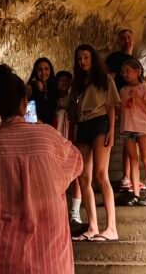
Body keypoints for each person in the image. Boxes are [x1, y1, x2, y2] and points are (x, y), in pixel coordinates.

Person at [0, 64, 83, 273]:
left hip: (4, 261)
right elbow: (76, 162)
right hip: (51, 259)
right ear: (24, 102)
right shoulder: (47, 136)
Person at [71, 45, 120, 242]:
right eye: (79, 58)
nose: (82, 61)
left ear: (93, 58)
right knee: (83, 177)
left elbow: (111, 106)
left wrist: (112, 130)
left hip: (100, 122)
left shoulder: (104, 79)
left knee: (101, 174)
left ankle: (111, 228)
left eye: (86, 57)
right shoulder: (78, 84)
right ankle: (92, 226)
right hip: (83, 126)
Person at [105, 29, 145, 194]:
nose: (127, 40)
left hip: (135, 105)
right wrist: (114, 102)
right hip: (122, 102)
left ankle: (128, 177)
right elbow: (110, 79)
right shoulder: (114, 58)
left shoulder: (136, 61)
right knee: (128, 139)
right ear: (119, 42)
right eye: (123, 38)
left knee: (132, 139)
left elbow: (140, 84)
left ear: (133, 39)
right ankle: (126, 177)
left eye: (129, 37)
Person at [118, 58, 146, 206]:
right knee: (133, 160)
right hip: (127, 127)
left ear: (137, 71)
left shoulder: (144, 87)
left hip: (141, 128)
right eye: (123, 72)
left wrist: (137, 98)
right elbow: (121, 111)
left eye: (127, 71)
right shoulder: (122, 90)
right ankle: (135, 193)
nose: (125, 74)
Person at [56, 70, 84, 229]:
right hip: (55, 141)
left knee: (75, 177)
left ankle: (75, 212)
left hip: (71, 139)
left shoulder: (75, 99)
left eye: (67, 81)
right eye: (61, 81)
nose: (64, 84)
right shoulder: (51, 100)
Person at [27, 57, 58, 126]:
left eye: (46, 69)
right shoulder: (31, 88)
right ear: (36, 71)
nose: (43, 72)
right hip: (37, 129)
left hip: (53, 130)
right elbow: (29, 116)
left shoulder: (54, 88)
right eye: (40, 70)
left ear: (50, 71)